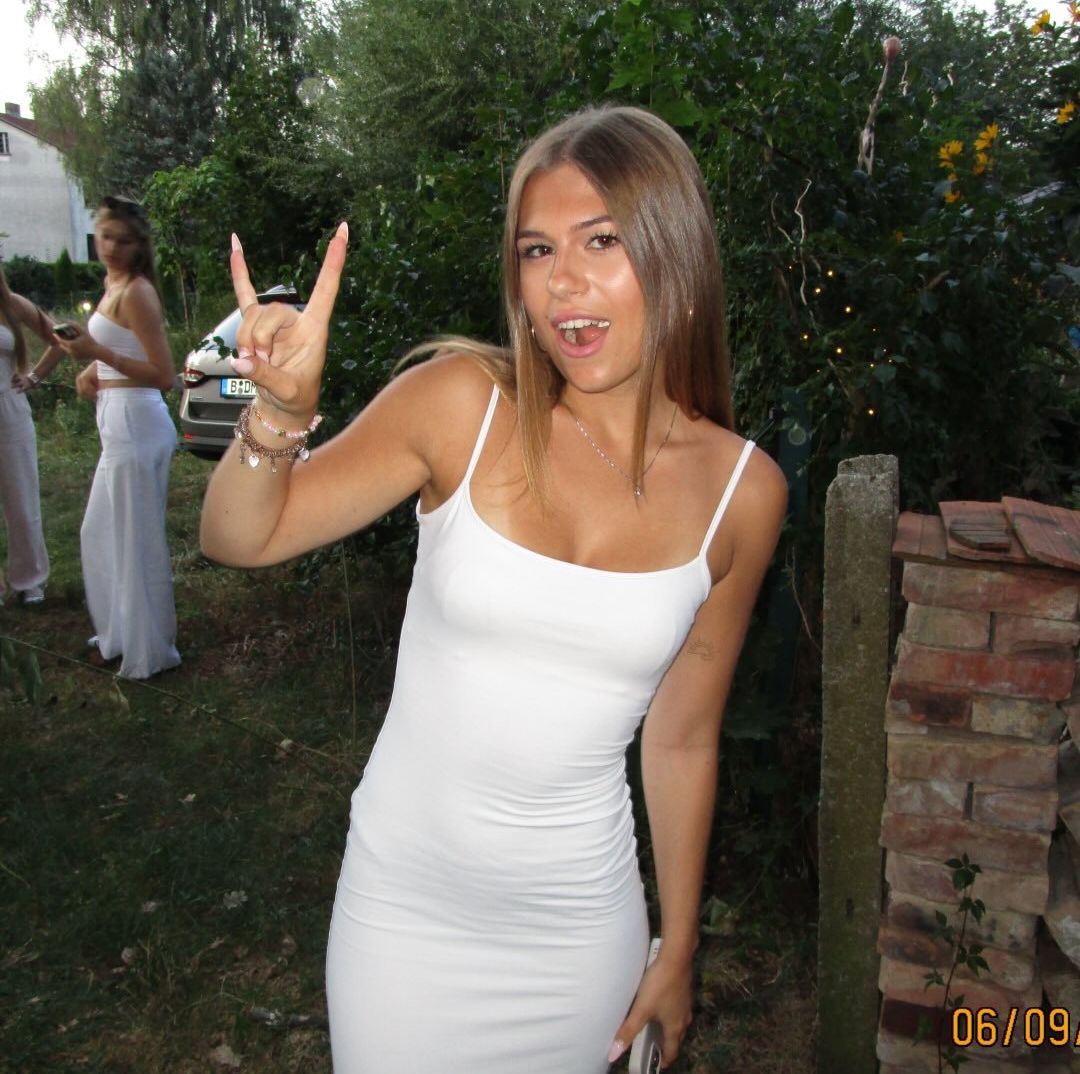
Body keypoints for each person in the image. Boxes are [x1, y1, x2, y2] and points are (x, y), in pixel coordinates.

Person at [200, 106, 787, 1072]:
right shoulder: (463, 407)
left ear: (677, 253)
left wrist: (678, 944)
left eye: (602, 240)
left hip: (579, 936)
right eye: (537, 250)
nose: (563, 282)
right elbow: (238, 537)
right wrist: (277, 412)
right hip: (404, 920)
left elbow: (682, 737)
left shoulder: (743, 493)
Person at [54, 196, 181, 679]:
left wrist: (97, 353)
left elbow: (163, 375)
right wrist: (93, 368)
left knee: (134, 541)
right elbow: (121, 348)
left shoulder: (137, 293)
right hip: (117, 420)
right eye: (105, 236)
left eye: (123, 241)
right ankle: (120, 635)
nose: (110, 248)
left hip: (137, 423)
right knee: (100, 532)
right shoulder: (113, 285)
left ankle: (148, 652)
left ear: (139, 246)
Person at [0, 262, 66, 607]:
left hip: (8, 408)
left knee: (22, 500)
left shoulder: (11, 303)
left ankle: (31, 581)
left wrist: (33, 376)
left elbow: (60, 339)